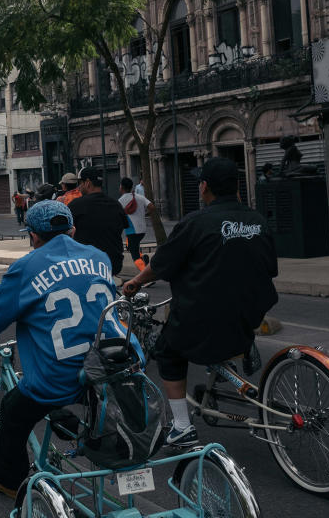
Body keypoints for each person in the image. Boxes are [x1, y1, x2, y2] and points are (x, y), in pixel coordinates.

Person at [0, 200, 123, 497]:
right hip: (110, 365)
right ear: (73, 230)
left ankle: (8, 480)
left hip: (59, 377)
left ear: (33, 236)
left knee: (13, 409)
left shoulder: (25, 267)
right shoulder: (100, 257)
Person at [122, 157, 278, 447]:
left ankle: (181, 426)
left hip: (206, 316)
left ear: (205, 187)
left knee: (168, 352)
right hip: (250, 312)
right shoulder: (258, 220)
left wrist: (135, 283)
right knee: (224, 321)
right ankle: (237, 351)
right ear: (237, 188)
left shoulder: (196, 223)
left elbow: (161, 264)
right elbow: (269, 267)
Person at [67, 167, 127, 276]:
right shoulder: (116, 205)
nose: (79, 188)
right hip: (114, 263)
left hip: (87, 265)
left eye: (80, 183)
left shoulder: (76, 205)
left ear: (88, 183)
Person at [118, 176, 155, 272]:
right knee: (132, 247)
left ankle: (145, 275)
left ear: (121, 187)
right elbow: (151, 206)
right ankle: (144, 259)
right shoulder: (139, 197)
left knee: (134, 255)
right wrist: (144, 214)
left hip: (132, 231)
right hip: (142, 230)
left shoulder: (121, 201)